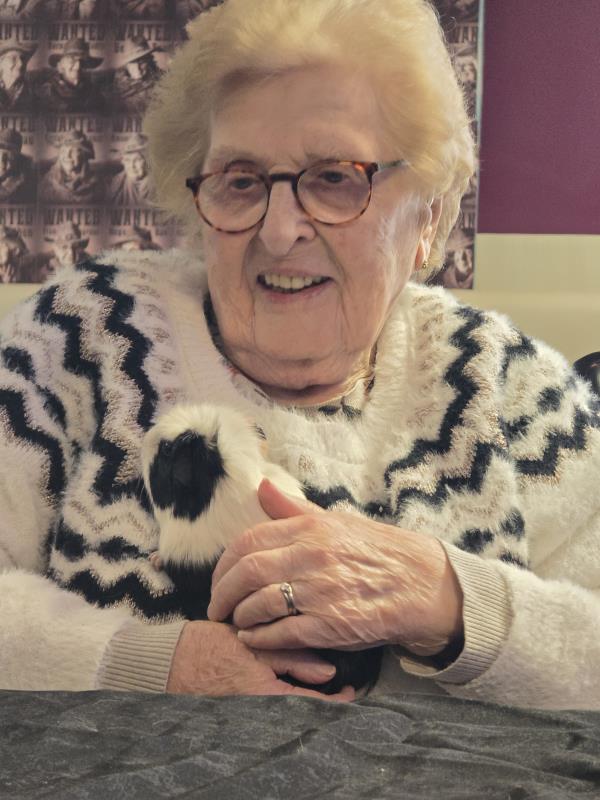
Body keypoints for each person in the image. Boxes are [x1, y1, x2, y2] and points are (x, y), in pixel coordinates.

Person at [0, 0, 599, 711]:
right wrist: (149, 663)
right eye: (241, 180)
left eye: (335, 178)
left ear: (429, 215)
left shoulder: (510, 388)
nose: (279, 231)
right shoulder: (82, 336)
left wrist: (452, 601)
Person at [37, 38, 104, 113]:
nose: (78, 67)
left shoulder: (94, 94)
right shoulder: (46, 94)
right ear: (60, 67)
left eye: (82, 62)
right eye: (72, 61)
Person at [39, 129, 103, 204]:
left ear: (84, 155)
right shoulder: (48, 183)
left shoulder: (97, 186)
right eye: (63, 151)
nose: (67, 156)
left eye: (73, 151)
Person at [112, 36, 163, 112]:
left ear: (149, 61)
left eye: (142, 63)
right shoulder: (116, 89)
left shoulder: (162, 83)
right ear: (126, 65)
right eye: (133, 63)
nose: (138, 68)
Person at [108, 133, 153, 205]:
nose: (132, 166)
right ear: (123, 162)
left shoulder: (159, 185)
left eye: (137, 160)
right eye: (127, 160)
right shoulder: (117, 184)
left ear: (147, 161)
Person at [0, 129, 34, 203]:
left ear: (18, 151)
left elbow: (6, 194)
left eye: (9, 148)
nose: (4, 152)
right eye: (1, 146)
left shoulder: (27, 168)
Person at [0, 42, 37, 111]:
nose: (20, 64)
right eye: (13, 58)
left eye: (23, 59)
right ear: (1, 63)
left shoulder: (34, 93)